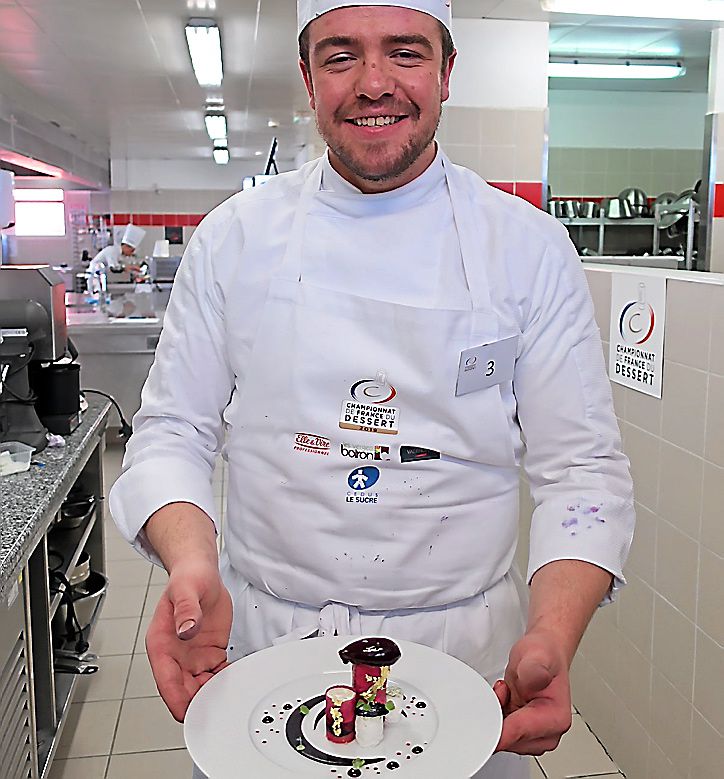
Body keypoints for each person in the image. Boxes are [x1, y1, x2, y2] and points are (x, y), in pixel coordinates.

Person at [109, 2, 635, 777]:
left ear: (447, 72)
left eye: (406, 53)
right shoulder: (235, 239)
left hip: (467, 675)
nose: (375, 83)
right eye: (341, 56)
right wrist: (192, 566)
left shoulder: (526, 248)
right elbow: (171, 432)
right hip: (264, 663)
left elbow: (582, 471)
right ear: (307, 78)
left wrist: (552, 638)